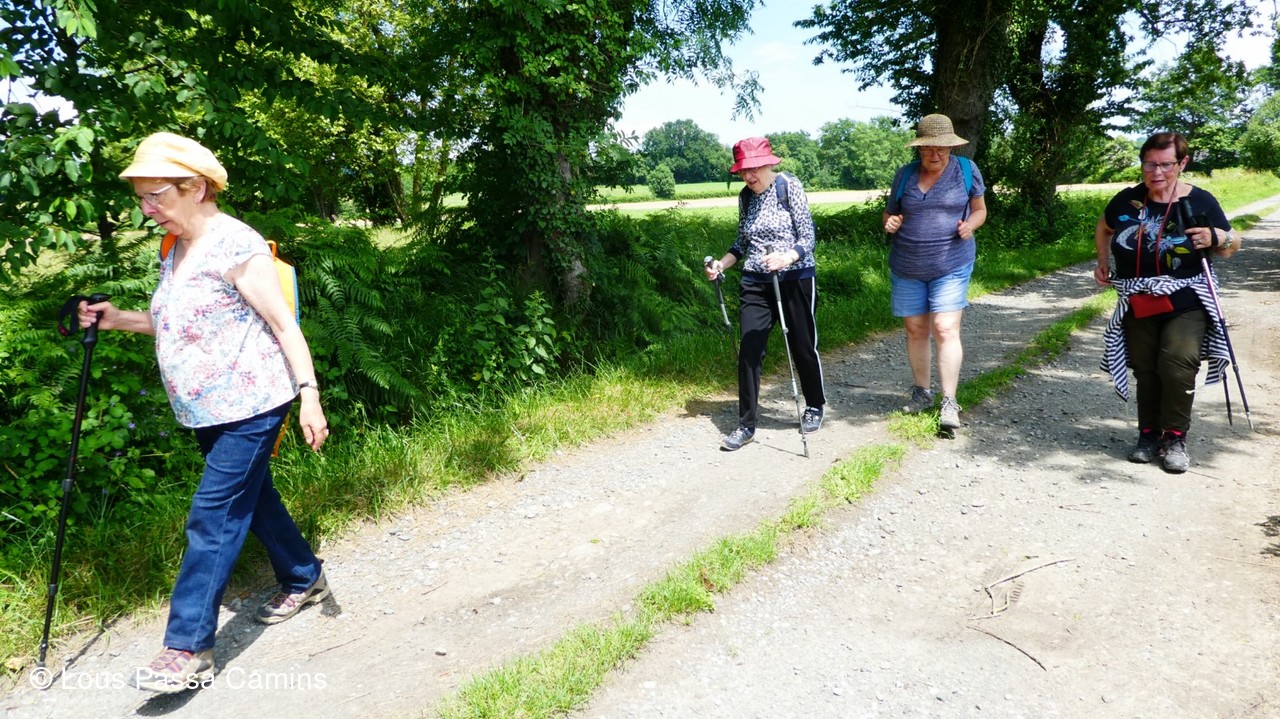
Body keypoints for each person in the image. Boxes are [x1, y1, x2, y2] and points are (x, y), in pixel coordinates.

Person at [77, 132, 332, 693]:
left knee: (212, 516)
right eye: (142, 198)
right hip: (203, 408)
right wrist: (118, 319)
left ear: (195, 188)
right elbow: (177, 322)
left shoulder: (235, 245)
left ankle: (187, 648)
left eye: (155, 196)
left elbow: (285, 325)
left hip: (252, 404)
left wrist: (309, 395)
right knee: (253, 498)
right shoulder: (175, 247)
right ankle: (304, 575)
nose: (147, 209)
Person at [1094, 131, 1240, 473]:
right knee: (1145, 368)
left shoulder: (1200, 202)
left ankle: (1175, 437)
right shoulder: (1126, 200)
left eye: (1165, 164)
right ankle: (1148, 436)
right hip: (1138, 298)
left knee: (1177, 362)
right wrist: (1103, 261)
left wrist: (1217, 236)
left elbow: (1231, 245)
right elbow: (1104, 227)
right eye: (1149, 164)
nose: (1156, 172)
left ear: (1182, 163)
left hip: (1187, 299)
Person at [706, 137, 826, 451]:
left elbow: (808, 236)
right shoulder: (746, 197)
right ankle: (746, 425)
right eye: (743, 171)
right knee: (750, 349)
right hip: (755, 281)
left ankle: (815, 405)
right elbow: (741, 243)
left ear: (768, 164)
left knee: (802, 345)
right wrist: (721, 264)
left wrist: (787, 257)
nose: (748, 177)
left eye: (754, 169)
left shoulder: (789, 186)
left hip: (795, 277)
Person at [883, 114, 987, 430]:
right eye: (928, 148)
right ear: (919, 148)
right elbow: (889, 214)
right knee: (916, 329)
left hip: (951, 263)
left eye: (941, 148)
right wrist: (890, 223)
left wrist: (970, 225)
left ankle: (949, 401)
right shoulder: (904, 175)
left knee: (944, 327)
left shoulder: (966, 170)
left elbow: (980, 210)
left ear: (950, 147)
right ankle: (922, 392)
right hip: (907, 265)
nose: (935, 155)